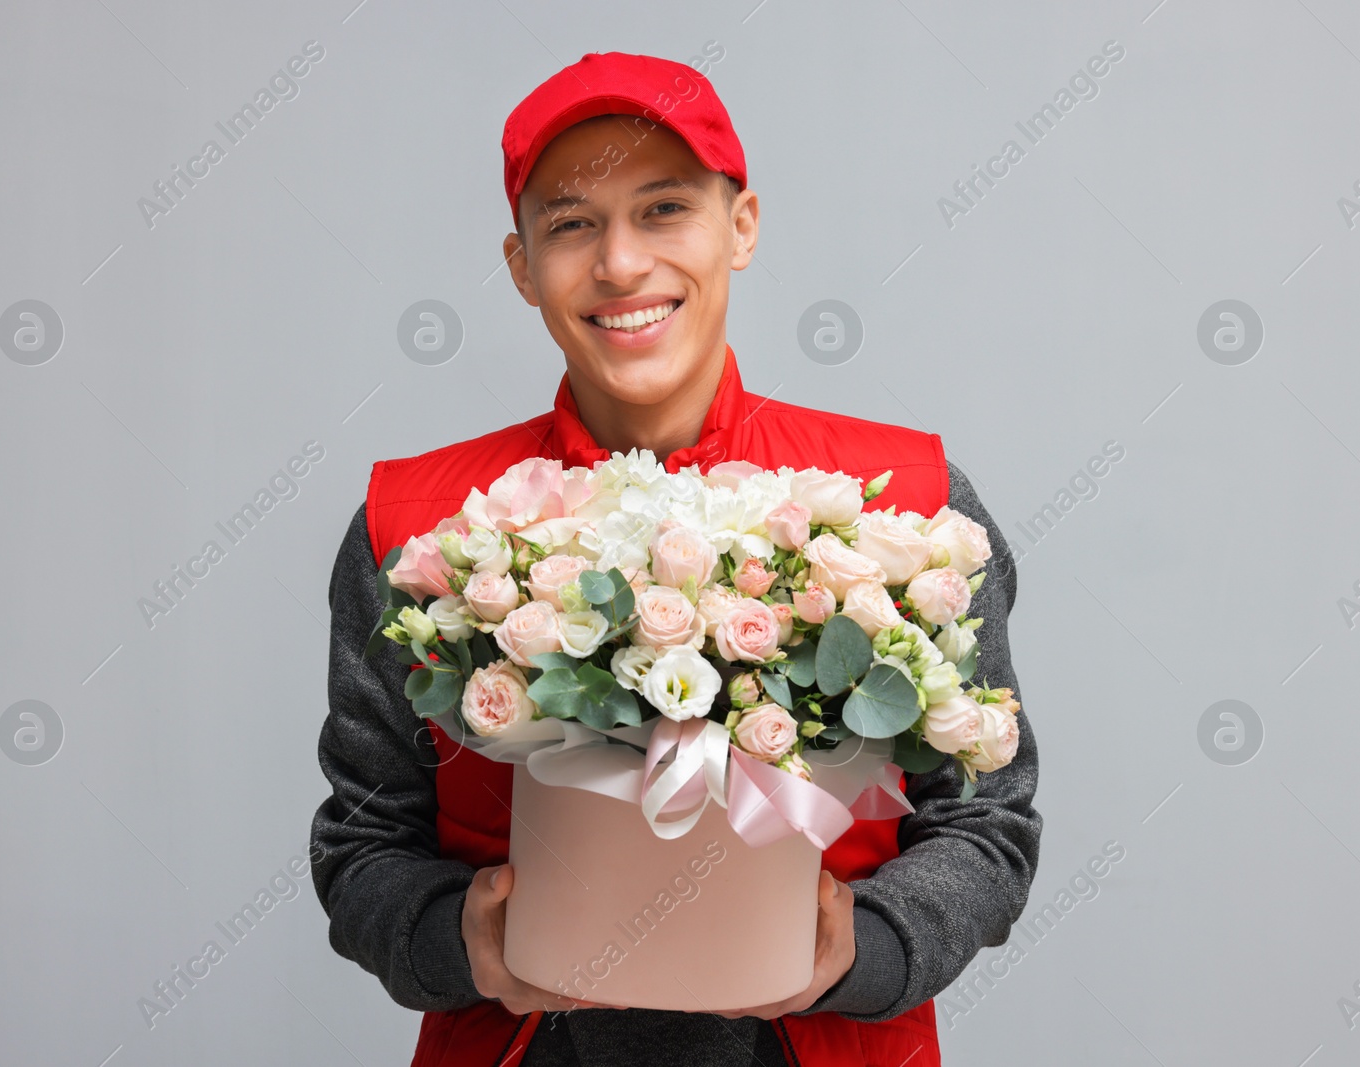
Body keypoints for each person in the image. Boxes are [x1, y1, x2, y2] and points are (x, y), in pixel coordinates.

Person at [310, 51, 1041, 1067]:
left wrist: (860, 947)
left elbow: (989, 823)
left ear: (739, 226)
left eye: (663, 210)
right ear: (521, 264)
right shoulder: (419, 528)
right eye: (571, 224)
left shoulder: (906, 508)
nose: (619, 265)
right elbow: (362, 843)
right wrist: (460, 938)